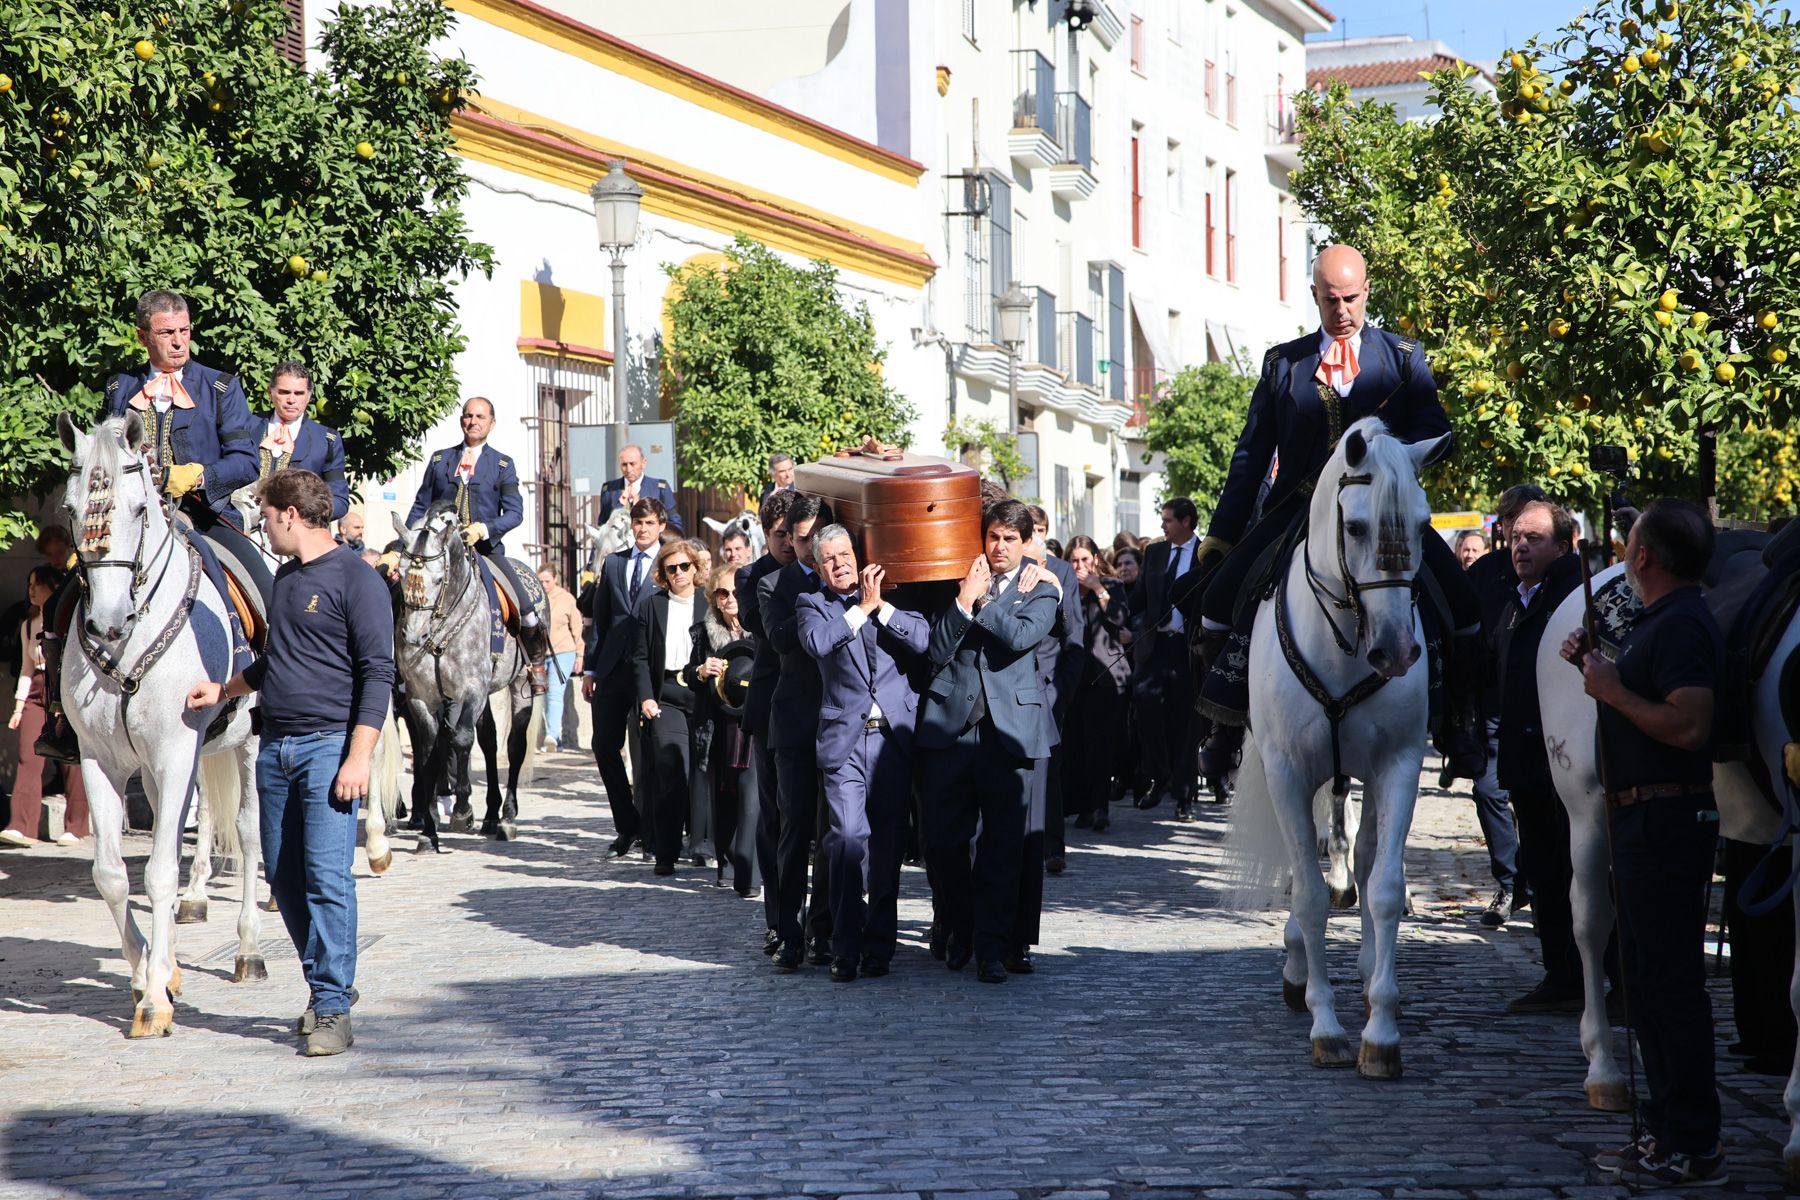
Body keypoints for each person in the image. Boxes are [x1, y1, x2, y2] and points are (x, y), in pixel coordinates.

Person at [1190, 244, 1484, 783]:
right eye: (1330, 299)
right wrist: (1223, 535)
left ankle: (1459, 723)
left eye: (1350, 298)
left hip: (1382, 512)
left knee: (1461, 605)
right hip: (1298, 510)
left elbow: (1436, 430)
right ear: (1314, 296)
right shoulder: (1284, 362)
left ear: (1366, 292)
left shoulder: (1403, 355)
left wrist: (1394, 452)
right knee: (1215, 602)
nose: (1341, 309)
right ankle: (1225, 727)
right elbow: (1252, 454)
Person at [185, 468, 394, 1057]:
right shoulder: (283, 577)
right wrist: (223, 690)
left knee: (328, 879)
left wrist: (359, 757)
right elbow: (279, 657)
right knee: (283, 874)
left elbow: (379, 672)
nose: (265, 526)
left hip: (331, 748)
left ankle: (330, 1004)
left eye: (267, 515)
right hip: (275, 746)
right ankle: (326, 987)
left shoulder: (358, 578)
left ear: (289, 515)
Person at [1565, 499, 1727, 1188]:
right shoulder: (1660, 624)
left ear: (1643, 558)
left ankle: (1694, 1140)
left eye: (1629, 544)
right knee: (1647, 985)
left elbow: (1690, 727)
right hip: (1638, 820)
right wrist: (1598, 669)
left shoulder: (1685, 624)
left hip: (1666, 820)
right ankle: (1662, 1130)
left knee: (1671, 987)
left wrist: (1612, 690)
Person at [38, 290, 266, 764]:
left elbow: (247, 461)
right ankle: (60, 717)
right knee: (59, 605)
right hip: (130, 524)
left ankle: (265, 694)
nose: (179, 342)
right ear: (144, 336)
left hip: (203, 516)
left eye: (184, 331)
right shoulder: (120, 388)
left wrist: (199, 475)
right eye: (166, 333)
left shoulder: (221, 387)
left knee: (264, 590)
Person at [918, 499, 1060, 984]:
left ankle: (992, 948)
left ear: (1025, 545)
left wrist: (981, 602)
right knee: (943, 842)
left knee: (1004, 849)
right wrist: (962, 599)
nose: (999, 547)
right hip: (950, 727)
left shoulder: (1040, 587)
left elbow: (1022, 637)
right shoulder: (956, 578)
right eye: (993, 537)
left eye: (1009, 540)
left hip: (1009, 733)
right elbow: (936, 651)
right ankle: (958, 928)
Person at [796, 526, 928, 981]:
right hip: (844, 744)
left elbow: (923, 640)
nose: (840, 563)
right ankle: (843, 947)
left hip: (892, 739)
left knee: (888, 850)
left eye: (845, 554)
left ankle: (879, 947)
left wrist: (881, 607)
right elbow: (815, 643)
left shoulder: (891, 592)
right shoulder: (813, 605)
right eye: (829, 558)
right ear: (818, 567)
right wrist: (860, 611)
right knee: (849, 840)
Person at [1493, 500, 1584, 1012]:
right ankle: (1562, 975)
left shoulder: (1574, 592)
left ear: (1562, 545)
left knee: (1579, 870)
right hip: (1527, 756)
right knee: (1545, 871)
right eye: (1514, 538)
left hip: (1568, 757)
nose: (1519, 546)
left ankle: (1606, 976)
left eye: (1533, 538)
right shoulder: (1513, 595)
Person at [405, 397, 550, 694]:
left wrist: (485, 529)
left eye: (480, 416)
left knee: (526, 607)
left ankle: (535, 665)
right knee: (401, 596)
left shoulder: (502, 464)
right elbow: (420, 506)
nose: (473, 421)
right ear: (462, 421)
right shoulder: (439, 460)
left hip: (486, 553)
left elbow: (514, 513)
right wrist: (406, 544)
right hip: (439, 553)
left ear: (491, 423)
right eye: (468, 416)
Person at [761, 495, 832, 971]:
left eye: (814, 536)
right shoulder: (776, 583)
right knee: (795, 832)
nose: (808, 546)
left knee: (837, 835)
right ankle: (789, 931)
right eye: (799, 538)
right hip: (795, 724)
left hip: (845, 723)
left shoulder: (849, 574)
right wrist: (821, 598)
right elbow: (781, 639)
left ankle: (824, 931)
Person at [582, 497, 669, 857]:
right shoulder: (615, 564)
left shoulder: (671, 565)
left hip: (653, 669)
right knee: (604, 745)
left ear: (661, 525)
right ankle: (627, 824)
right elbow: (600, 620)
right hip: (613, 667)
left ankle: (654, 831)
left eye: (650, 523)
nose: (643, 529)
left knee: (650, 751)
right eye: (638, 523)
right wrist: (590, 669)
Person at [1021, 504, 1081, 965]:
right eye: (1030, 531)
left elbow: (1072, 636)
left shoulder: (1060, 572)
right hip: (1016, 689)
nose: (1034, 539)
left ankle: (1051, 846)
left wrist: (1062, 693)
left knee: (1051, 774)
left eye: (1040, 531)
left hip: (1047, 688)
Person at [737, 491, 796, 954]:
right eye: (781, 537)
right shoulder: (751, 576)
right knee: (773, 817)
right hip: (773, 703)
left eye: (796, 537)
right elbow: (765, 628)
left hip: (819, 704)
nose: (791, 545)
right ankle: (778, 918)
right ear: (765, 534)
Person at [631, 539, 710, 876]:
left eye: (684, 566)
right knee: (670, 768)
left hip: (704, 693)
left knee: (702, 772)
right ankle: (666, 849)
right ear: (663, 573)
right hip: (666, 695)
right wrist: (646, 697)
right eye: (671, 568)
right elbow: (639, 657)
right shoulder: (651, 606)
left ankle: (703, 844)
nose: (678, 573)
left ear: (695, 568)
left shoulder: (709, 604)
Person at [2, 565, 88, 847]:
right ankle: (21, 826)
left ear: (52, 587)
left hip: (62, 688)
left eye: (36, 584)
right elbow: (27, 669)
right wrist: (17, 707)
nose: (31, 591)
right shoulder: (28, 624)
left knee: (69, 760)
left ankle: (76, 827)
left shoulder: (66, 622)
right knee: (28, 756)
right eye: (28, 585)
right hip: (35, 693)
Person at [1130, 499, 1204, 814]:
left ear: (1186, 522)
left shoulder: (1205, 555)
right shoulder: (1155, 553)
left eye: (1169, 520)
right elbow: (1139, 600)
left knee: (1186, 723)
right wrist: (1134, 626)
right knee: (1145, 710)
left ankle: (1184, 796)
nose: (1163, 526)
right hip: (1155, 647)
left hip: (1187, 650)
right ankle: (1159, 775)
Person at [693, 565, 759, 895]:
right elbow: (687, 677)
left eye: (735, 591)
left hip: (755, 725)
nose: (730, 598)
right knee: (723, 795)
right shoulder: (704, 633)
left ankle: (749, 871)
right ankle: (727, 862)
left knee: (751, 797)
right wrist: (702, 670)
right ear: (714, 599)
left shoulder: (759, 624)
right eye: (723, 593)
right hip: (720, 726)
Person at [1064, 535, 1131, 834]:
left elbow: (1119, 617)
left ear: (1095, 560)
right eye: (1074, 560)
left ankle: (1100, 806)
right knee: (1076, 743)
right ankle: (1083, 805)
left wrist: (1097, 587)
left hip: (1106, 676)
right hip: (1073, 677)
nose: (1080, 566)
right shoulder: (1063, 590)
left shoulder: (1111, 586)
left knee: (1101, 745)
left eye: (1085, 560)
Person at [256, 362, 349, 521]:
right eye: (284, 392)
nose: (291, 400)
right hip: (241, 528)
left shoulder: (327, 440)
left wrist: (303, 515)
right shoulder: (245, 426)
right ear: (270, 392)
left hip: (296, 535)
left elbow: (339, 500)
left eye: (299, 393)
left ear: (309, 396)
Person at [537, 567, 584, 754]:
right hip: (541, 654)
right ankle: (556, 739)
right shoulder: (536, 598)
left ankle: (552, 735)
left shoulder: (567, 599)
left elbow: (577, 628)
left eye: (547, 581)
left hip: (563, 652)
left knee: (555, 693)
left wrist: (580, 655)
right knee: (544, 696)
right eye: (540, 581)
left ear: (555, 579)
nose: (544, 585)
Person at [598, 443, 683, 532]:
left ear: (643, 463)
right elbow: (603, 525)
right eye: (624, 465)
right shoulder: (609, 490)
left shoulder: (660, 489)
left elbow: (676, 525)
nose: (628, 469)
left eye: (632, 464)